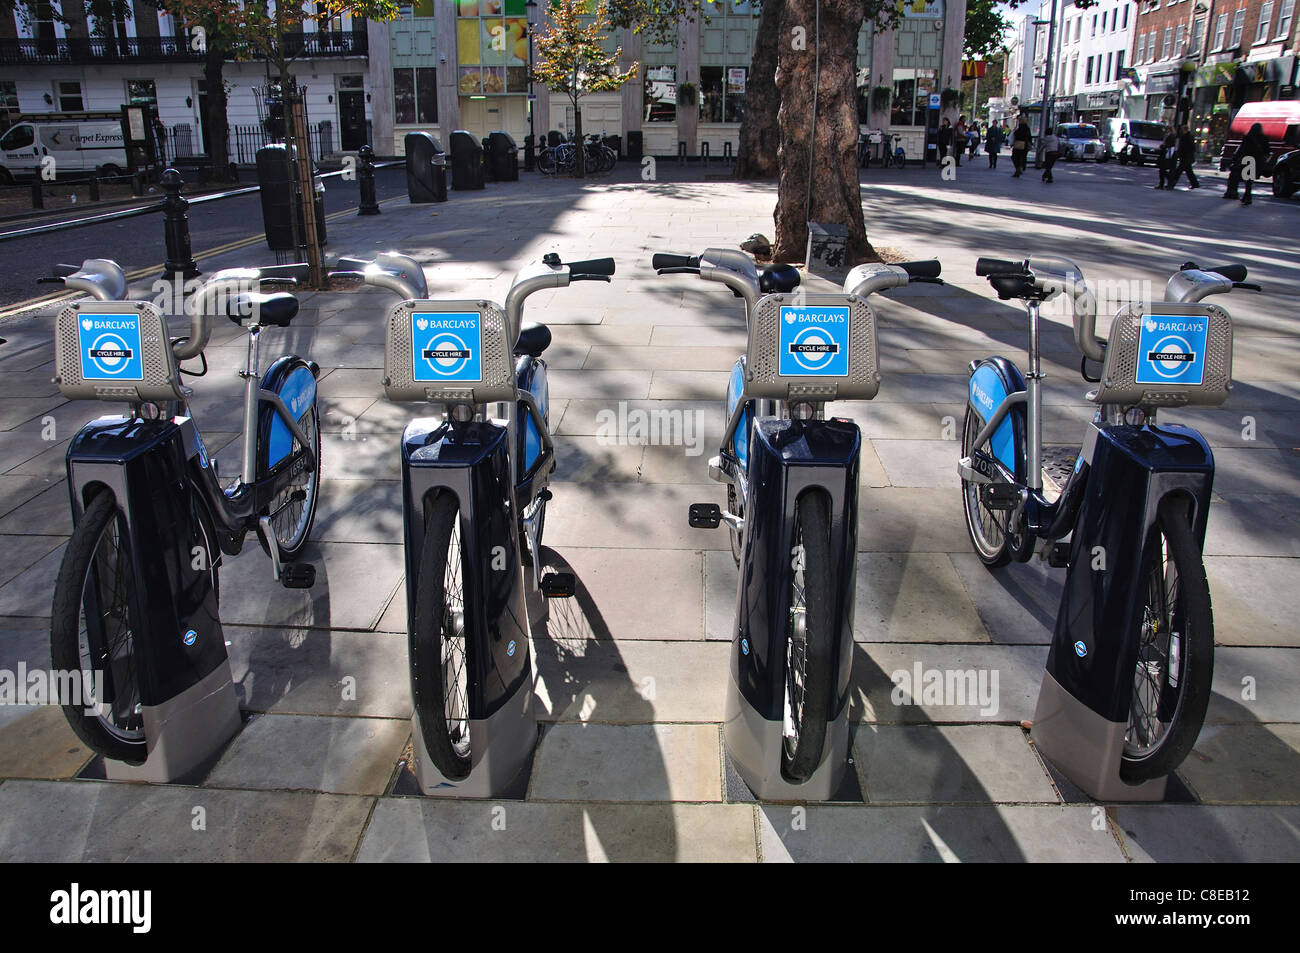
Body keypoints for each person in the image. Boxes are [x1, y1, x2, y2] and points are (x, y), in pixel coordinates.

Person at [1224, 122, 1268, 205]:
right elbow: (1267, 151)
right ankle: (1247, 196)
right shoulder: (1264, 138)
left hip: (1247, 159)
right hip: (1258, 160)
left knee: (1247, 179)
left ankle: (1247, 197)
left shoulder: (1248, 137)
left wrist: (1235, 159)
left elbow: (1242, 149)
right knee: (1250, 179)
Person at [1168, 124, 1200, 189]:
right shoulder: (1187, 136)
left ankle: (1172, 183)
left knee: (1179, 171)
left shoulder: (1187, 136)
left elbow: (1190, 147)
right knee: (1189, 171)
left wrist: (1183, 152)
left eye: (1182, 129)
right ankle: (1195, 184)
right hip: (1186, 157)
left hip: (1186, 157)